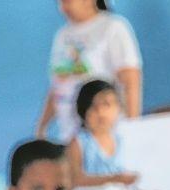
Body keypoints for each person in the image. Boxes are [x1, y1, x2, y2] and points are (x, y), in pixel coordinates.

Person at [36, 0, 143, 142]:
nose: (62, 8)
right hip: (70, 135)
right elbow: (58, 86)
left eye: (67, 2)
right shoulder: (62, 35)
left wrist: (132, 128)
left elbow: (131, 81)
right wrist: (42, 126)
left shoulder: (113, 27)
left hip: (106, 134)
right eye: (60, 3)